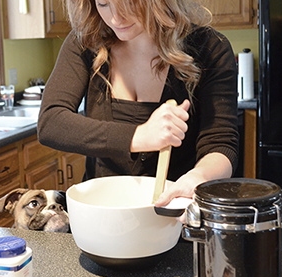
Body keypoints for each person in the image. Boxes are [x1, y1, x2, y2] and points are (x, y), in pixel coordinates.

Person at [37, 0, 239, 219]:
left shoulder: (210, 47)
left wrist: (199, 177)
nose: (115, 18)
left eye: (129, 3)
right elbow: (51, 122)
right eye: (103, 4)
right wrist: (139, 136)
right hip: (101, 219)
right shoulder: (86, 42)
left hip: (174, 219)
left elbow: (221, 144)